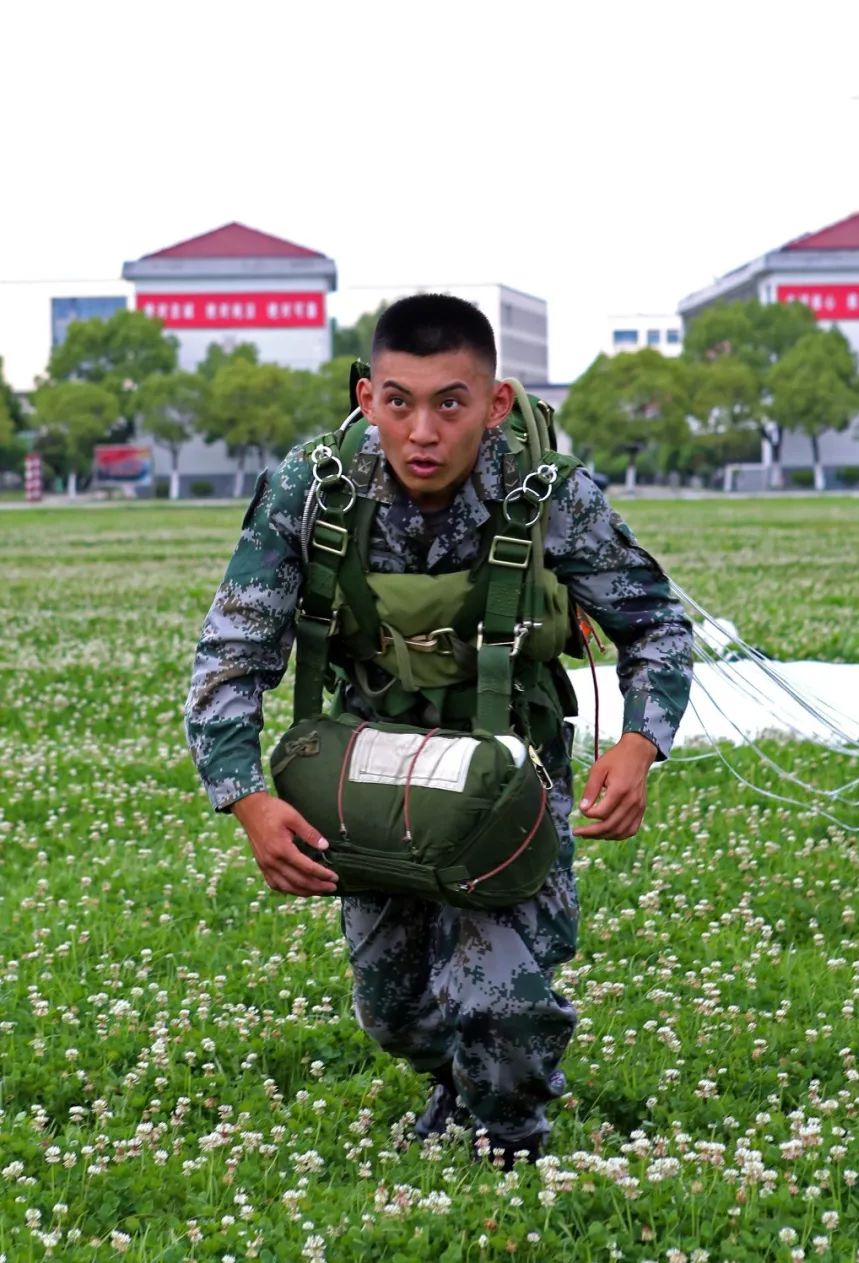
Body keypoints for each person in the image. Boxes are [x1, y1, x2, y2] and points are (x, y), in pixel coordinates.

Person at [184, 294, 693, 1165]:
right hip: (375, 767)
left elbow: (656, 624)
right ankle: (461, 1080)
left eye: (450, 403)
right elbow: (232, 653)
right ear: (364, 394)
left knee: (500, 997)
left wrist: (639, 744)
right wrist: (246, 799)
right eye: (398, 401)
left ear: (494, 405)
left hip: (510, 769)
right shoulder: (312, 490)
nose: (422, 430)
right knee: (394, 1005)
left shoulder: (550, 494)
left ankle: (511, 1136)